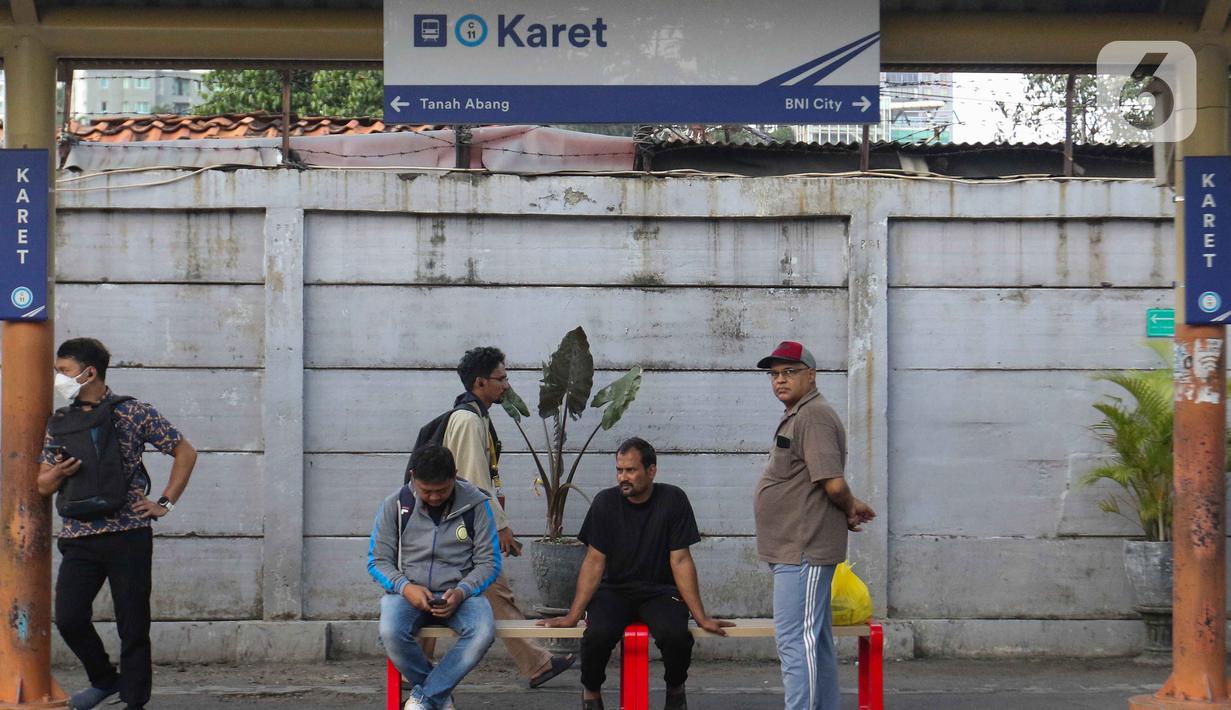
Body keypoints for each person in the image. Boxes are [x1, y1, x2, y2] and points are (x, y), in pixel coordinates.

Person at [36, 337, 198, 710]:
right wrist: (59, 472)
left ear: (89, 372)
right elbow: (42, 485)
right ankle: (105, 680)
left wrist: (164, 503)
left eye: (64, 371)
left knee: (133, 624)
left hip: (129, 534)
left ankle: (135, 701)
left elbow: (185, 452)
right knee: (69, 618)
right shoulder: (60, 422)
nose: (58, 378)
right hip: (79, 535)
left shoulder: (135, 412)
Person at [540, 437, 733, 710]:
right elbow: (594, 562)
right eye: (619, 470)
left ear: (651, 471)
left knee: (675, 636)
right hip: (614, 591)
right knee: (596, 636)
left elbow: (680, 560)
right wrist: (573, 615)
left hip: (660, 592)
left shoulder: (673, 500)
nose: (623, 477)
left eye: (630, 470)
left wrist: (701, 617)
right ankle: (591, 694)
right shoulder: (605, 503)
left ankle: (675, 691)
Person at [439, 346, 574, 687]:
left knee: (473, 591)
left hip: (462, 525)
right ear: (480, 382)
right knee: (492, 589)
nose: (506, 385)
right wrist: (499, 526)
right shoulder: (468, 421)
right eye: (501, 379)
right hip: (466, 528)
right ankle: (537, 663)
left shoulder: (477, 416)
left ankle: (537, 663)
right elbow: (473, 481)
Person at [754, 341, 876, 710]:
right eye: (774, 374)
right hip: (794, 548)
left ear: (811, 375)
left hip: (803, 548)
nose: (780, 380)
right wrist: (851, 506)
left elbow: (833, 483)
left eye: (789, 372)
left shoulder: (814, 417)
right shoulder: (801, 414)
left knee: (796, 641)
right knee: (813, 639)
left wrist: (849, 505)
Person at [368, 445, 499, 710]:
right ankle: (439, 696)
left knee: (483, 632)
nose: (435, 496)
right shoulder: (396, 505)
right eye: (427, 491)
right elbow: (377, 561)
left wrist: (462, 591)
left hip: (462, 595)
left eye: (442, 490)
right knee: (391, 632)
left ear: (455, 475)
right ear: (413, 477)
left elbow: (489, 563)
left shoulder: (477, 505)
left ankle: (425, 699)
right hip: (407, 594)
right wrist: (405, 588)